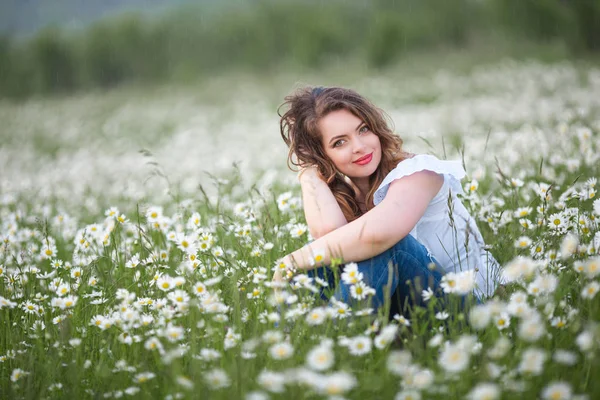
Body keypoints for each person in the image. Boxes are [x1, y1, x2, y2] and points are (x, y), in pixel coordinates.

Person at [273, 86, 501, 313]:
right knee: (326, 257)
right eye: (339, 142)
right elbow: (329, 236)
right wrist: (309, 171)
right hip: (408, 311)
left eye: (363, 130)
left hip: (465, 307)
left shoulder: (418, 172)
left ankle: (332, 336)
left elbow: (377, 236)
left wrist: (290, 262)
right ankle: (299, 338)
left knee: (389, 247)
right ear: (322, 155)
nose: (360, 147)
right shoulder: (346, 194)